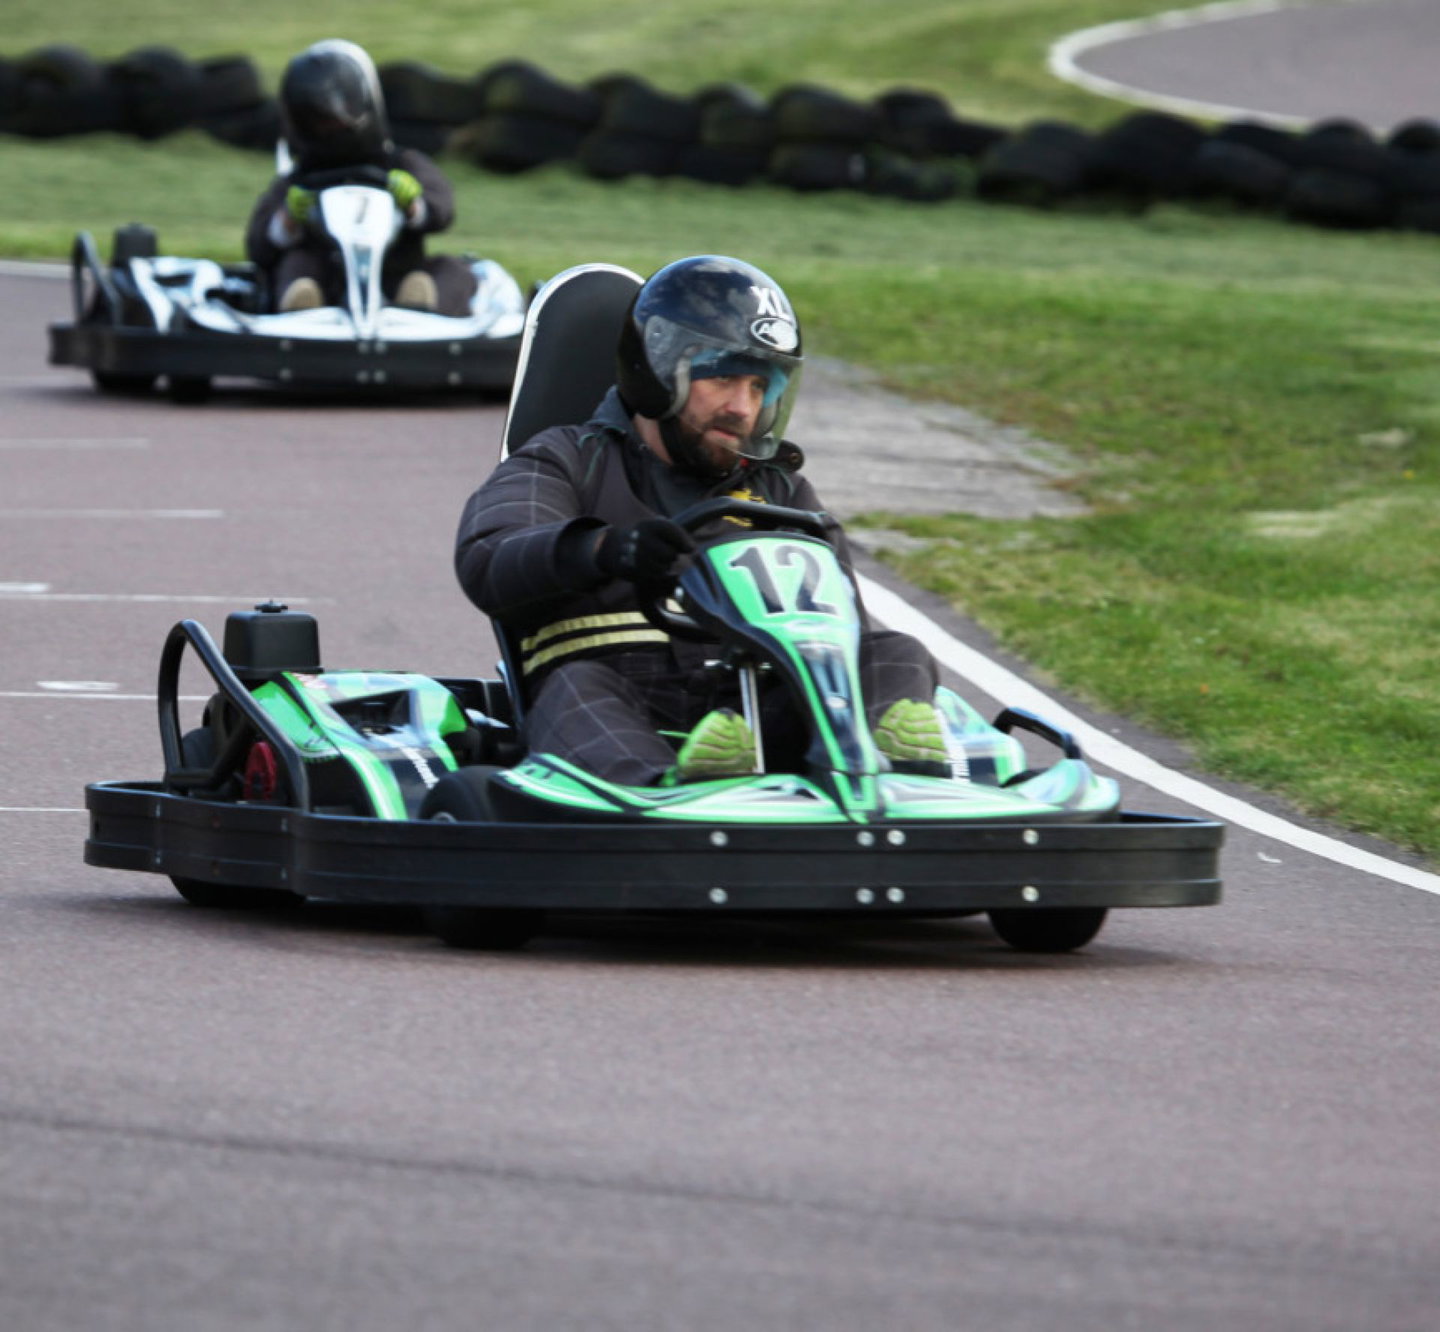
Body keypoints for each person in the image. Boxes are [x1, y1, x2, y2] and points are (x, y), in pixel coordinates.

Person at [454, 254, 948, 787]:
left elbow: (835, 622)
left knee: (896, 654)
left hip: (753, 716)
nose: (743, 408)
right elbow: (490, 553)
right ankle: (669, 794)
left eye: (760, 388)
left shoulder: (780, 491)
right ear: (659, 371)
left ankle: (893, 780)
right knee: (576, 686)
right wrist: (604, 551)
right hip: (619, 701)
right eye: (725, 379)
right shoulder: (569, 459)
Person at [244, 39, 477, 316]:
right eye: (319, 122)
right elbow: (257, 246)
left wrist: (414, 205)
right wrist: (288, 220)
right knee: (295, 262)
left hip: (395, 275)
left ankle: (421, 306)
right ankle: (302, 306)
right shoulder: (299, 179)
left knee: (454, 269)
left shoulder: (400, 164)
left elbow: (444, 209)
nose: (329, 129)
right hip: (326, 285)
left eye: (334, 120)